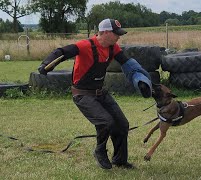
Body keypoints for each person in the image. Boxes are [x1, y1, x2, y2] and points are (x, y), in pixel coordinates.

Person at [38, 18, 152, 169]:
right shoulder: (85, 45)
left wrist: (141, 79)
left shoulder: (113, 47)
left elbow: (127, 63)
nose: (119, 36)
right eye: (116, 33)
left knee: (122, 124)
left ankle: (120, 160)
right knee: (105, 122)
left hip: (100, 93)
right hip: (82, 94)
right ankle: (100, 150)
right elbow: (62, 52)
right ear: (104, 32)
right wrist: (46, 64)